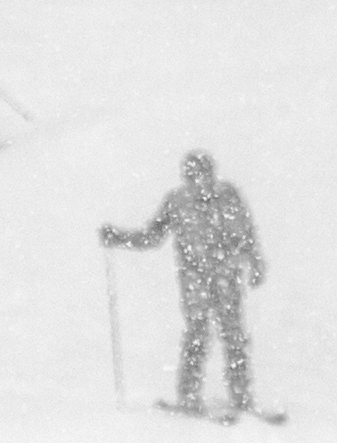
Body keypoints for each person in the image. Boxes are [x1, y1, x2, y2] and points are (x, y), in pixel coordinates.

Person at [104, 149, 269, 417]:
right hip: (195, 281)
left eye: (203, 176)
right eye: (192, 177)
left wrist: (255, 262)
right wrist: (120, 238)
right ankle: (189, 395)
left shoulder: (228, 196)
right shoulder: (177, 202)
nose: (199, 183)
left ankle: (241, 396)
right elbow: (153, 236)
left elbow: (246, 232)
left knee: (233, 335)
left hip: (226, 276)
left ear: (212, 174)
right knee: (196, 335)